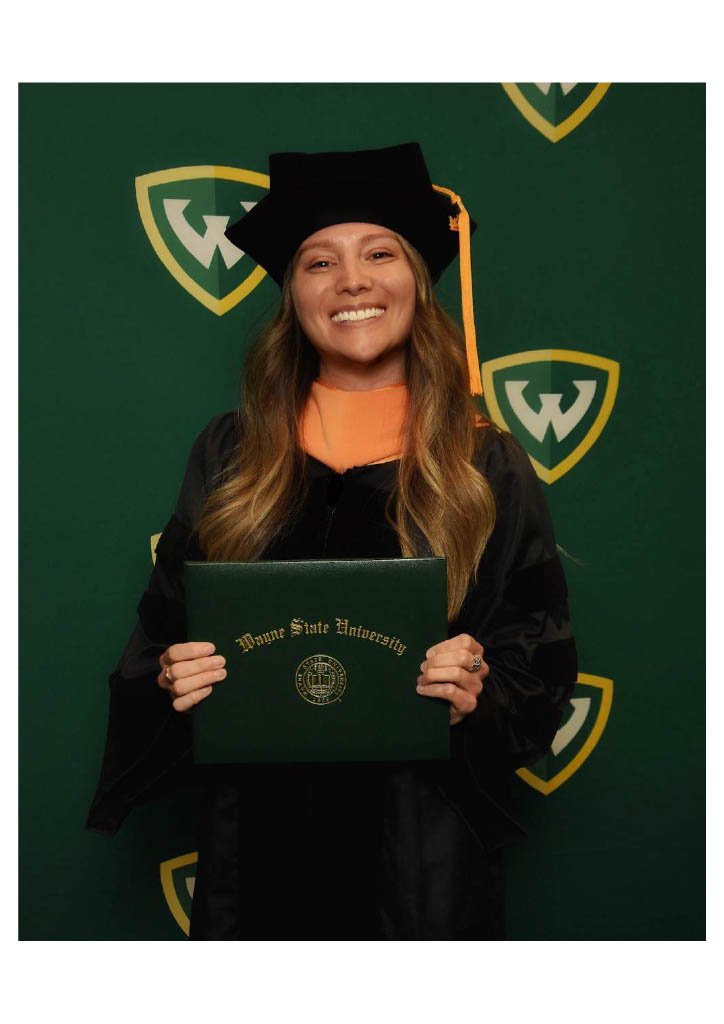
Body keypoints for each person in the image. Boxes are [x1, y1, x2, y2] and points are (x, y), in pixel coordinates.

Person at [86, 142, 577, 940]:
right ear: (293, 295)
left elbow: (540, 657)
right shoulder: (230, 453)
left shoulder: (483, 460)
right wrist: (176, 678)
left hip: (423, 859)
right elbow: (160, 639)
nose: (351, 281)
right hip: (257, 853)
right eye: (319, 262)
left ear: (418, 279)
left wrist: (477, 690)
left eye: (380, 253)